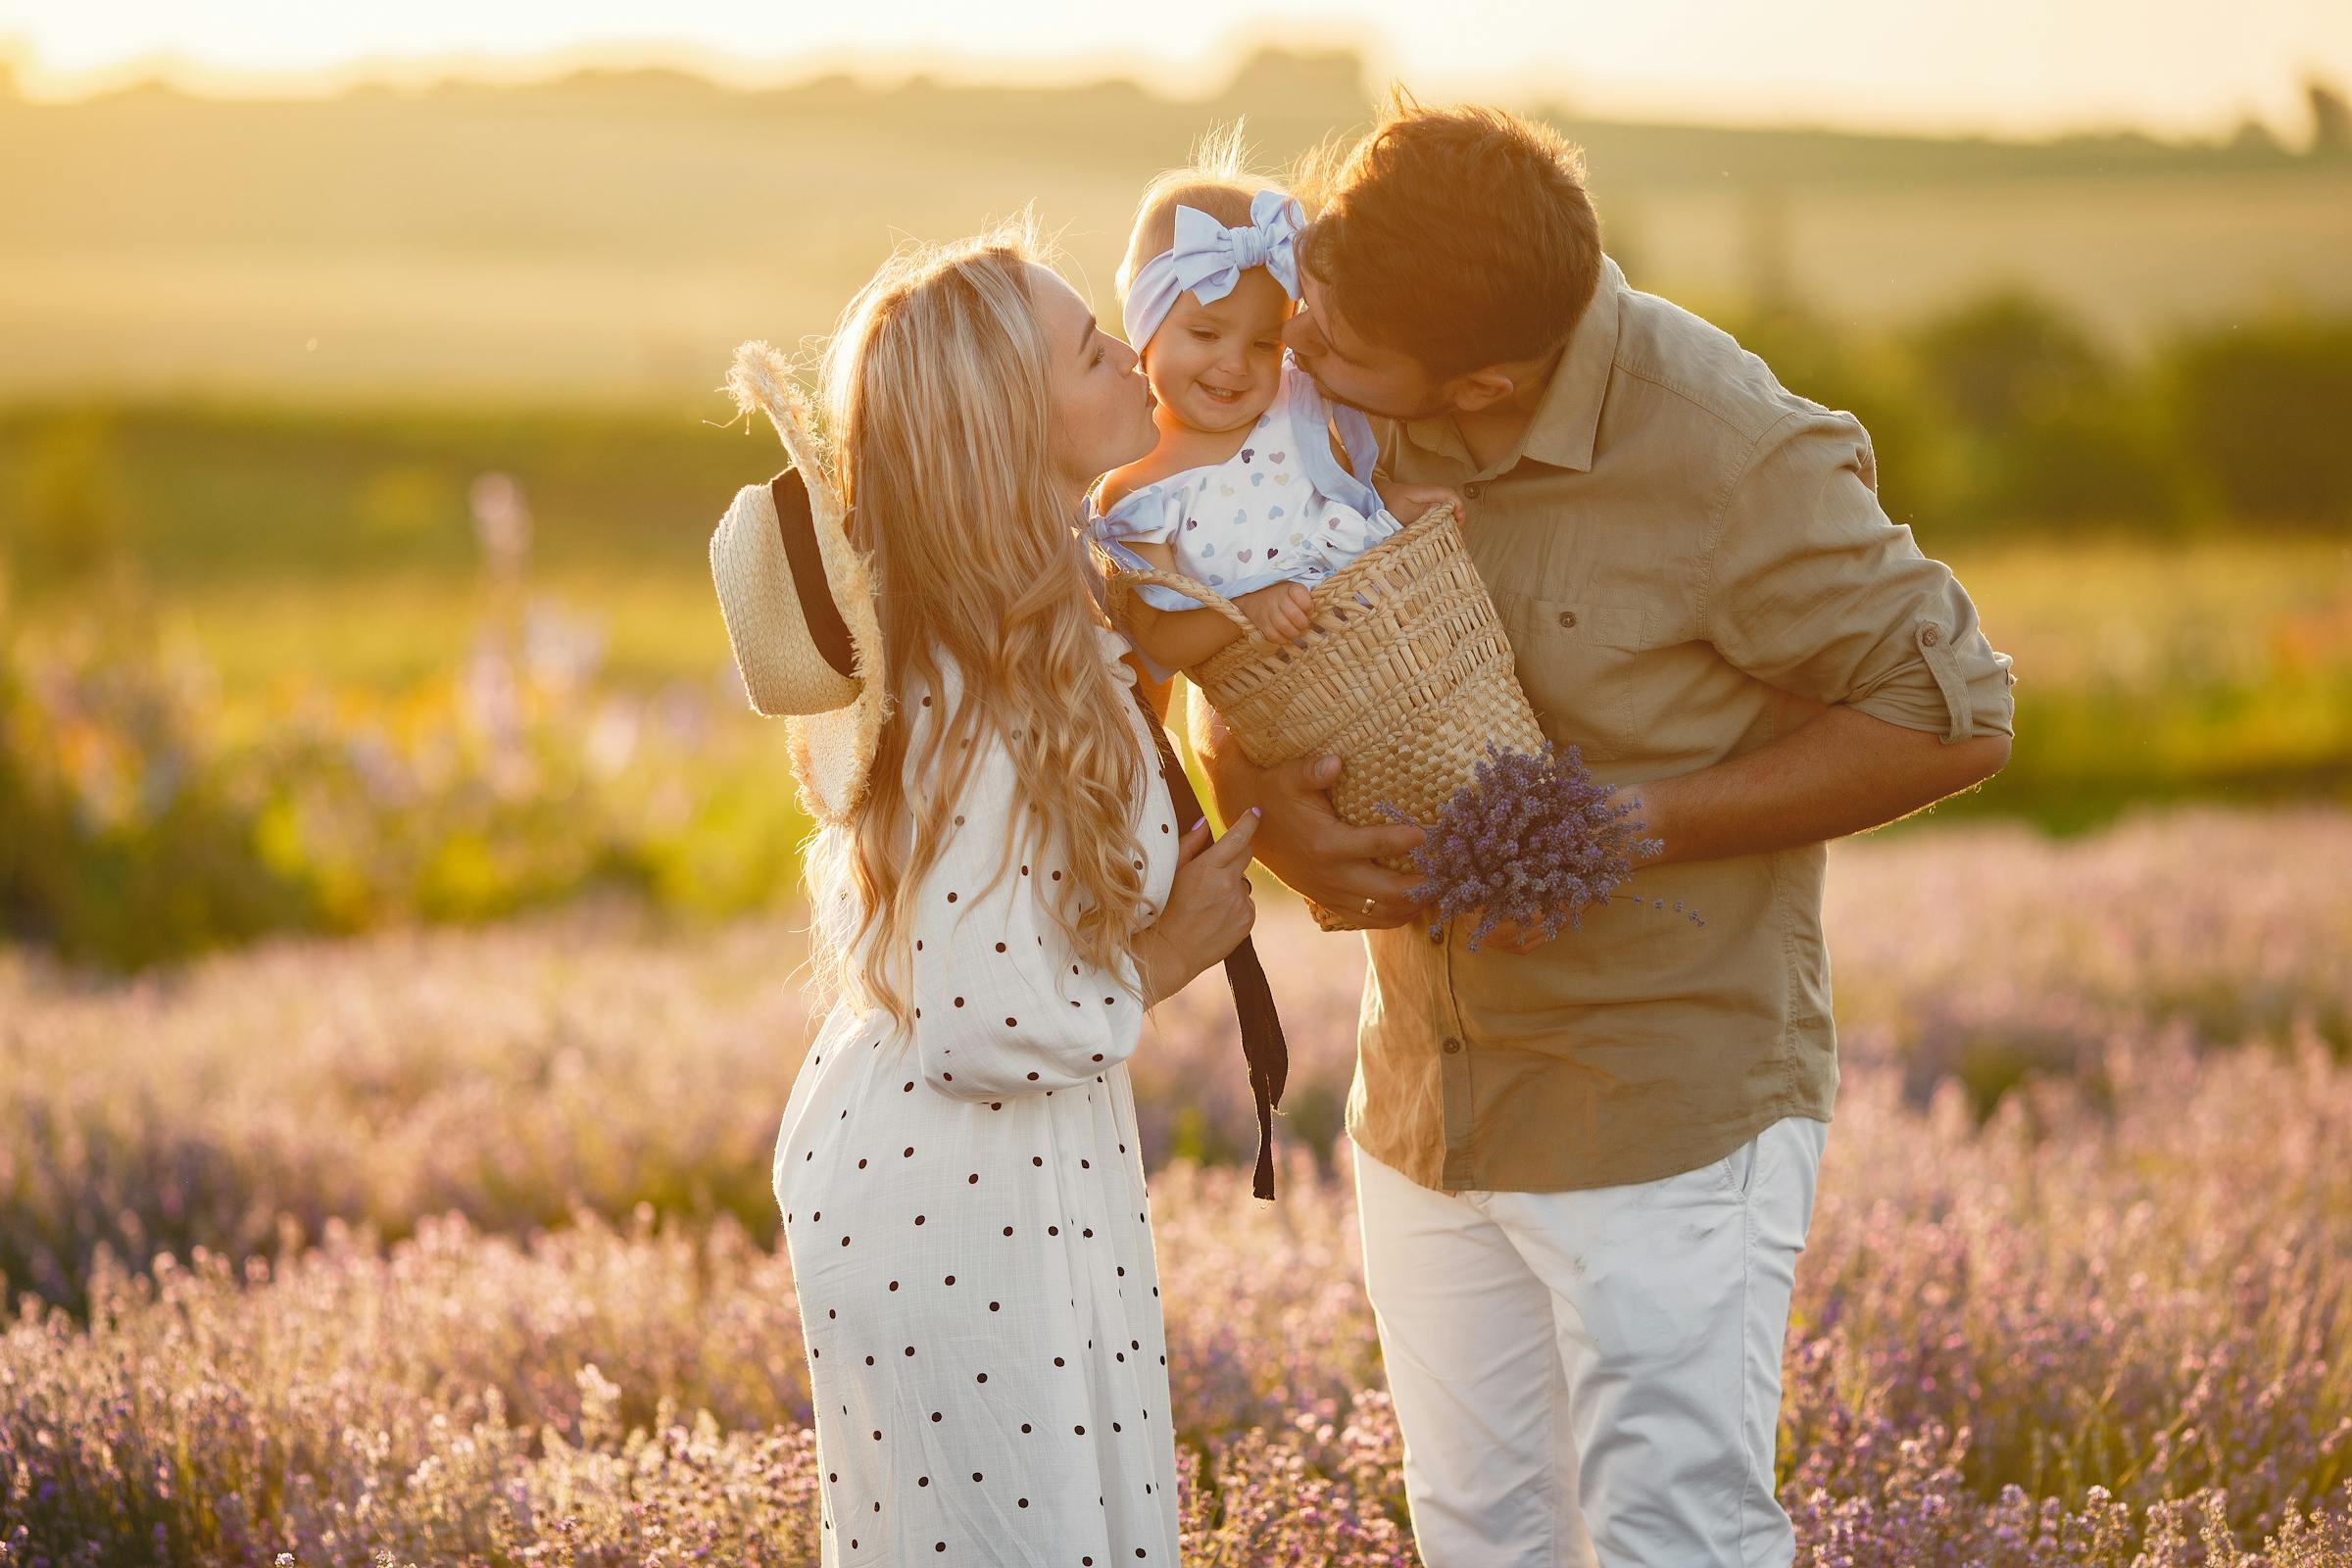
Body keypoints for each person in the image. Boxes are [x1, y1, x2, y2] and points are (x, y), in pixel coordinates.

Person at [1190, 97, 2018, 1567]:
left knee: (1674, 1539)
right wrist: (1271, 829)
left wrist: (1630, 824)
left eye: (1338, 340)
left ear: (1491, 378)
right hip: (1426, 1107)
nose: (1297, 347)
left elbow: (1954, 709)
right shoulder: (1332, 393)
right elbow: (1235, 649)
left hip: (1663, 1109)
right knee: (1479, 1538)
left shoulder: (1729, 451)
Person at [712, 220, 1263, 1565]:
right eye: (1090, 350)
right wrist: (1169, 956)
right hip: (950, 1202)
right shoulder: (973, 680)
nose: (1135, 358)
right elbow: (974, 1014)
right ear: (1010, 423)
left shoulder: (1023, 627)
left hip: (999, 1178)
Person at [1084, 130, 1456, 675]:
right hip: (1288, 700)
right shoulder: (1137, 487)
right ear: (1147, 327)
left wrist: (1395, 505)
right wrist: (1245, 610)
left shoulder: (1290, 404)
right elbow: (1158, 641)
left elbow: (1351, 494)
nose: (1235, 364)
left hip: (1395, 656)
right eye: (1207, 335)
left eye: (1263, 343)